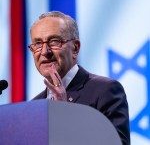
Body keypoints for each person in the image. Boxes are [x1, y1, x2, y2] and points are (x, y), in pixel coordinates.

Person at [28, 11, 130, 145]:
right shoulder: (33, 106)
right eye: (37, 44)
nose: (44, 51)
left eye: (54, 42)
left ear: (75, 48)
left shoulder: (105, 91)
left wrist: (66, 115)